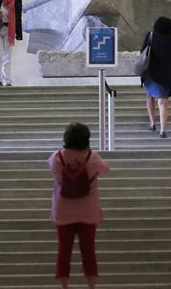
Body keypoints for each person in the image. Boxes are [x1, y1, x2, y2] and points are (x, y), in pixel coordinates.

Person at [49, 122, 110, 289]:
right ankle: (91, 286)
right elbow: (105, 169)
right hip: (88, 211)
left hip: (63, 210)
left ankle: (64, 286)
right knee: (88, 251)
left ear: (66, 138)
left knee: (64, 250)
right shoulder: (92, 157)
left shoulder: (57, 157)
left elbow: (53, 170)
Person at [140, 16, 171, 138]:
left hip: (150, 72)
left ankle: (152, 123)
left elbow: (142, 52)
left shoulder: (150, 35)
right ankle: (163, 130)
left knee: (150, 96)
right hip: (165, 74)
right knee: (162, 101)